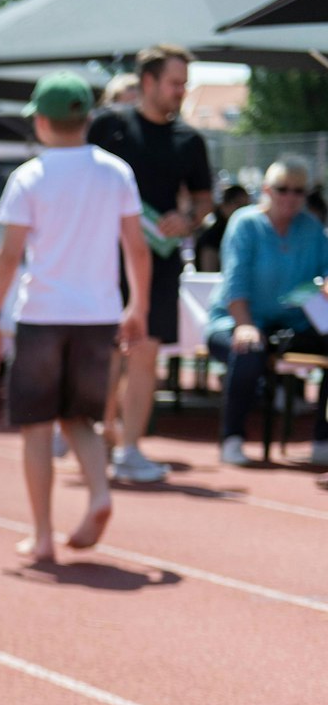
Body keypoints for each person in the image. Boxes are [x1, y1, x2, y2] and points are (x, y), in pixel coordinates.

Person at [0, 73, 149, 565]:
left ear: (40, 121)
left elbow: (9, 256)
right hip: (98, 313)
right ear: (88, 118)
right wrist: (138, 306)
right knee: (80, 417)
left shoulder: (29, 177)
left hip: (43, 313)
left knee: (36, 427)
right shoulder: (116, 172)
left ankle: (41, 535)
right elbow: (137, 248)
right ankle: (99, 491)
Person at [88, 44, 213, 485]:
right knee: (106, 353)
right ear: (148, 82)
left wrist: (188, 218)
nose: (182, 91)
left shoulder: (189, 140)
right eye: (175, 83)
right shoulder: (108, 126)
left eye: (184, 84)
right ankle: (99, 437)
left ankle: (131, 449)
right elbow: (82, 178)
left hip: (159, 262)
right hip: (106, 260)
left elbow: (204, 200)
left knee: (144, 354)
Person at [205, 159, 328, 467]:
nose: (290, 197)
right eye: (282, 189)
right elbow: (236, 281)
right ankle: (232, 438)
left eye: (298, 191)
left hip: (293, 325)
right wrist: (244, 325)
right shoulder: (245, 224)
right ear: (267, 190)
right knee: (248, 350)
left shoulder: (312, 229)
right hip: (236, 320)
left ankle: (322, 440)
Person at [194, 184, 250, 273]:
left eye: (248, 206)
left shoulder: (246, 235)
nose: (245, 211)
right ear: (225, 206)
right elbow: (208, 272)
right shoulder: (212, 237)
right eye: (240, 206)